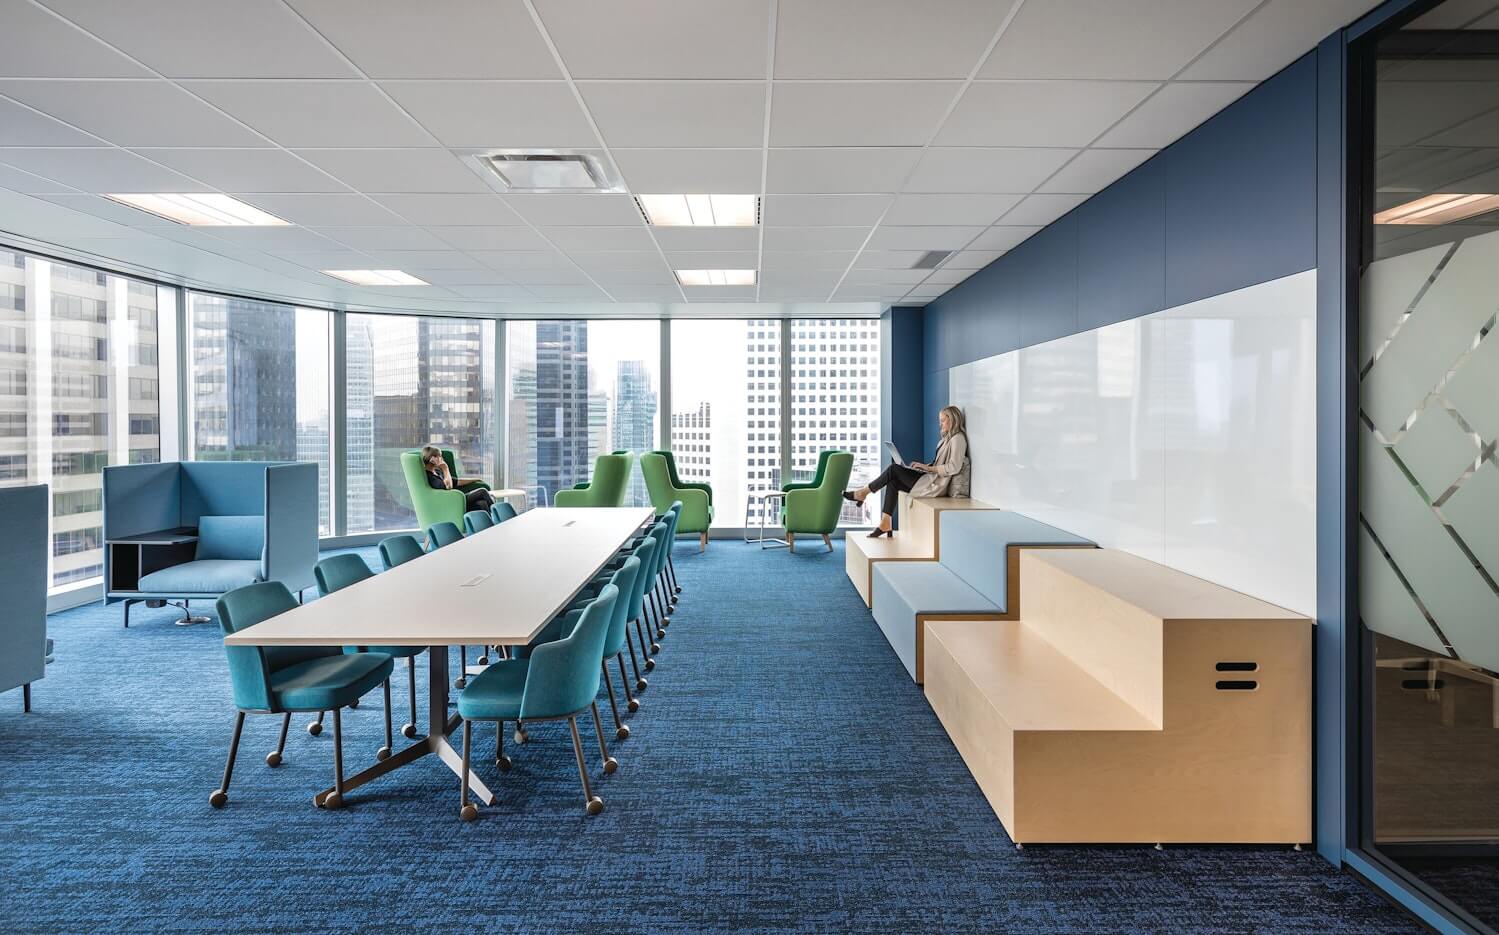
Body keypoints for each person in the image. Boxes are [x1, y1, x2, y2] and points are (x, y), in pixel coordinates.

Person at [844, 405, 970, 538]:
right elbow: (939, 464)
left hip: (936, 485)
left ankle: (863, 493)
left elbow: (954, 467)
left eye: (943, 420)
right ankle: (885, 523)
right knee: (893, 481)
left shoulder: (958, 439)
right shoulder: (945, 440)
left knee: (893, 469)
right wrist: (924, 466)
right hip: (931, 477)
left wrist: (928, 468)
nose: (940, 424)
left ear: (952, 419)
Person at [421, 445, 494, 513]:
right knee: (482, 491)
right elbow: (448, 486)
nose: (442, 459)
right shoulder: (429, 475)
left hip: (455, 498)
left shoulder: (436, 471)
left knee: (482, 503)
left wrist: (476, 479)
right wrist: (445, 468)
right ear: (431, 459)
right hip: (451, 501)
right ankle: (497, 513)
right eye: (439, 456)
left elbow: (456, 481)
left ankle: (492, 524)